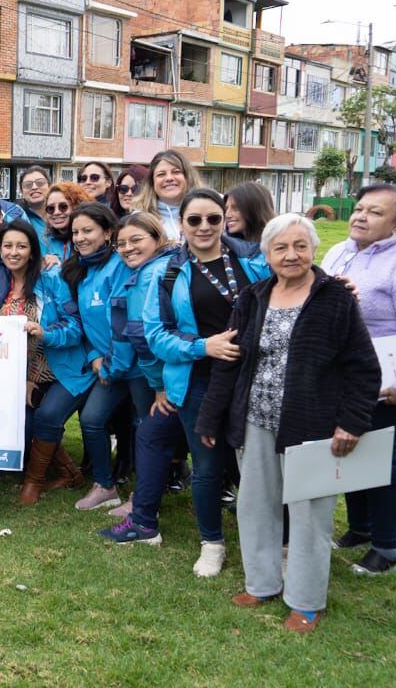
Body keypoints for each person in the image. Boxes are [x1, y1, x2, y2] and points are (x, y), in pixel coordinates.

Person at [197, 214, 379, 633]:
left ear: (314, 250)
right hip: (255, 418)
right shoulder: (253, 296)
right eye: (280, 247)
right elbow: (230, 361)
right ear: (266, 254)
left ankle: (306, 600)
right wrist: (211, 415)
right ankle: (261, 583)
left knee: (311, 514)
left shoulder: (335, 298)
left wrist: (352, 422)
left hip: (312, 423)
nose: (291, 255)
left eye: (300, 246)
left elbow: (363, 368)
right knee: (255, 504)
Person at [140, 188, 270, 578]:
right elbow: (155, 334)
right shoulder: (168, 273)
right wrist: (203, 347)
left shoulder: (253, 260)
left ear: (224, 219)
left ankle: (271, 540)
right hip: (198, 383)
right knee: (208, 465)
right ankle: (212, 542)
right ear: (181, 224)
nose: (204, 227)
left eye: (213, 218)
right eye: (194, 220)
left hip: (255, 379)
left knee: (261, 464)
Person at [323, 184, 396, 576]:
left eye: (374, 212)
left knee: (384, 461)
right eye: (359, 208)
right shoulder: (339, 252)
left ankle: (389, 549)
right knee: (351, 451)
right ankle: (361, 528)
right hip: (343, 378)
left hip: (387, 382)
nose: (360, 216)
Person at [0, 220, 88, 504]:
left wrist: (46, 332)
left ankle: (33, 482)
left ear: (33, 251)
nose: (14, 252)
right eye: (8, 246)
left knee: (46, 418)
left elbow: (75, 325)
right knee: (22, 425)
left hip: (61, 370)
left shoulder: (51, 279)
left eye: (21, 246)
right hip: (21, 375)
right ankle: (70, 472)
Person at [95, 212, 180, 536]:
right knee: (154, 437)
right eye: (122, 244)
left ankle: (143, 510)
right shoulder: (157, 267)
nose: (128, 248)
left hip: (160, 374)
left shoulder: (150, 275)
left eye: (136, 240)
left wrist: (158, 385)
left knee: (151, 437)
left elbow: (142, 335)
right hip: (162, 371)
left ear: (157, 238)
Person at [60, 203, 131, 510]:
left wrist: (112, 362)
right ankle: (105, 486)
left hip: (132, 366)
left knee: (142, 428)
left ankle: (144, 494)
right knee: (92, 419)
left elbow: (126, 322)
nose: (80, 238)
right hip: (104, 365)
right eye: (75, 232)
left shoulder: (121, 266)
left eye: (88, 230)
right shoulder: (83, 271)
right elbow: (85, 325)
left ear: (107, 232)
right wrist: (94, 356)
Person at [134, 150, 203, 243]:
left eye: (176, 172)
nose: (169, 178)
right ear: (152, 182)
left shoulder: (211, 209)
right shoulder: (139, 219)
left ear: (188, 177)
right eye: (161, 174)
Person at [41, 182, 91, 262]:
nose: (56, 212)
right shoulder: (46, 240)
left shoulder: (88, 239)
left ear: (76, 206)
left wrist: (60, 266)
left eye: (63, 207)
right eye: (51, 208)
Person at [224, 181, 277, 246]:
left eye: (236, 208)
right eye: (226, 208)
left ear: (255, 209)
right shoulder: (228, 248)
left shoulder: (277, 244)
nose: (227, 215)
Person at [15, 166, 51, 236]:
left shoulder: (62, 213)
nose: (34, 187)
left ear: (49, 186)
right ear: (21, 191)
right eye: (28, 184)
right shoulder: (16, 217)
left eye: (40, 182)